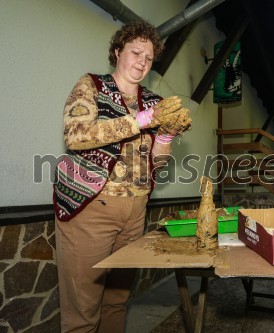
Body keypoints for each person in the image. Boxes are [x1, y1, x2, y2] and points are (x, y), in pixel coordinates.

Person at [53, 21, 191, 333]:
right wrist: (143, 120)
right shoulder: (91, 86)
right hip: (91, 209)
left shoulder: (155, 101)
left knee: (116, 302)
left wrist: (166, 135)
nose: (142, 62)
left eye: (149, 58)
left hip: (135, 213)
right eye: (136, 52)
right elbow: (75, 136)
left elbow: (157, 164)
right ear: (117, 52)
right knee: (82, 313)